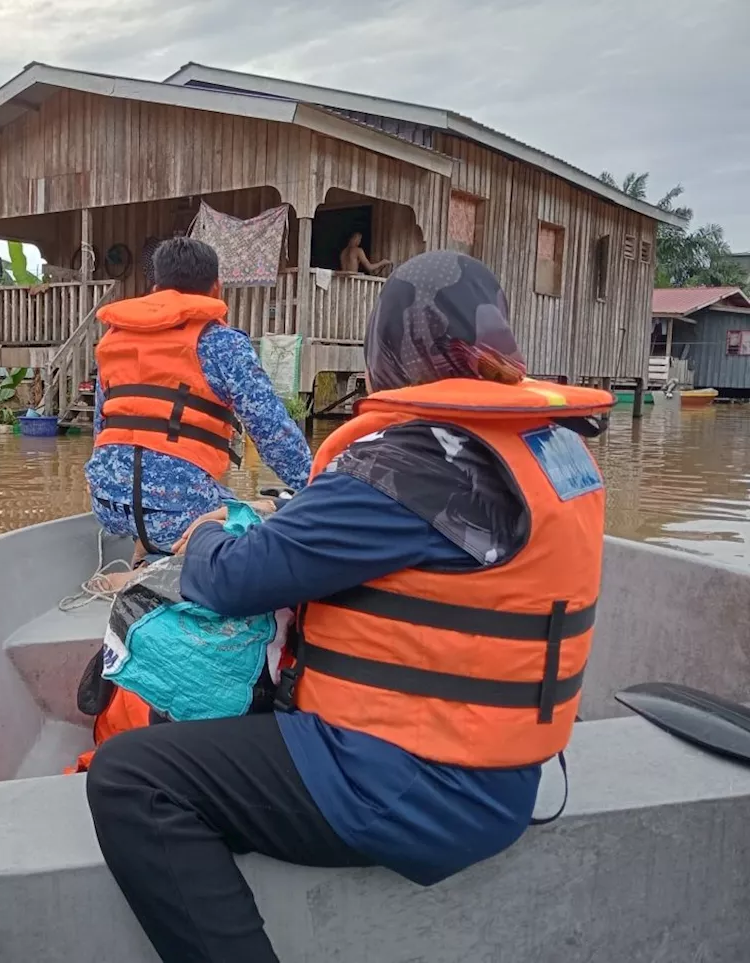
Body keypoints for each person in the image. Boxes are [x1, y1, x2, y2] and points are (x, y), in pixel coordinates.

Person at [85, 250, 615, 963]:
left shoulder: (413, 464)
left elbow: (238, 578)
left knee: (132, 775)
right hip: (502, 772)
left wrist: (207, 532)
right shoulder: (547, 446)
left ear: (390, 349)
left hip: (412, 786)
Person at [84, 237, 310, 562]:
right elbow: (273, 434)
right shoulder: (221, 343)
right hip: (180, 512)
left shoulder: (114, 340)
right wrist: (318, 486)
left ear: (155, 288)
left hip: (108, 504)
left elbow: (101, 428)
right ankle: (146, 574)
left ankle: (142, 551)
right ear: (216, 289)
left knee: (189, 501)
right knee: (264, 516)